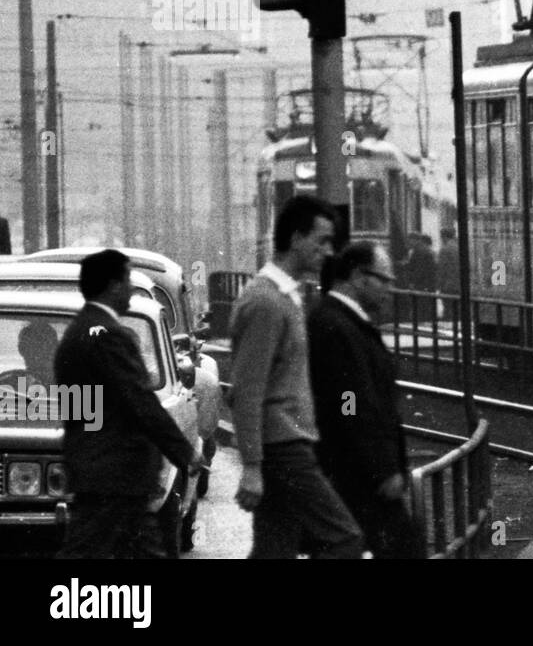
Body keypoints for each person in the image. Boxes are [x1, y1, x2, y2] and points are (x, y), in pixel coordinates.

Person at [229, 195, 365, 559]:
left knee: (275, 549)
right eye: (320, 240)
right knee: (345, 539)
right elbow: (247, 389)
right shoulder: (266, 303)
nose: (328, 250)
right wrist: (252, 467)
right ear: (294, 238)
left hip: (285, 444)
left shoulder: (284, 298)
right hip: (283, 448)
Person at [54, 249, 202, 559]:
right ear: (111, 285)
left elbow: (79, 412)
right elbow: (140, 400)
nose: (130, 291)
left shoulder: (76, 332)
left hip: (97, 472)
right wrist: (184, 452)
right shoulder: (109, 335)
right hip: (116, 475)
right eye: (125, 281)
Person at [309, 242, 420, 559]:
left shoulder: (342, 321)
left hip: (355, 473)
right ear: (358, 276)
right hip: (359, 477)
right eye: (384, 279)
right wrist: (383, 469)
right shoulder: (336, 325)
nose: (390, 288)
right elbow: (350, 402)